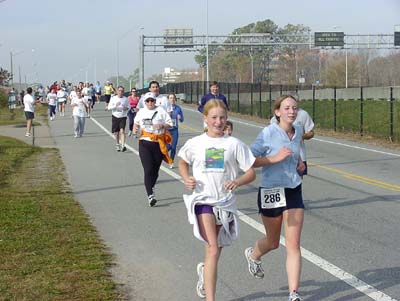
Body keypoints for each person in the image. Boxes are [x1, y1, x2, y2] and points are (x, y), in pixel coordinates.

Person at [178, 99, 256, 300]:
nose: (218, 121)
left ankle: (205, 274)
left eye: (222, 117)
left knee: (214, 250)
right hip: (203, 201)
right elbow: (182, 162)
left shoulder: (234, 144)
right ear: (205, 119)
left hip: (225, 203)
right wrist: (187, 178)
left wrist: (237, 181)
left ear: (227, 119)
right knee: (213, 248)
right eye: (214, 117)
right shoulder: (195, 143)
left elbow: (251, 172)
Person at [244, 95, 305, 301]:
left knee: (294, 244)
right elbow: (249, 160)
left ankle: (293, 293)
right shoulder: (268, 132)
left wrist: (300, 164)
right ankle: (253, 255)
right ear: (277, 112)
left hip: (293, 189)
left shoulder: (299, 133)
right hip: (271, 191)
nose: (291, 111)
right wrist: (273, 159)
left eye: (295, 108)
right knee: (273, 242)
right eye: (287, 108)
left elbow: (297, 154)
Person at [133, 92, 173, 207]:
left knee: (155, 171)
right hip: (145, 143)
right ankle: (150, 195)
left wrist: (162, 126)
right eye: (148, 101)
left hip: (158, 143)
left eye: (152, 101)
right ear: (144, 102)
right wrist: (135, 129)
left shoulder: (161, 110)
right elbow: (136, 123)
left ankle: (152, 186)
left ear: (155, 101)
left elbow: (170, 123)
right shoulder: (141, 112)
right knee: (148, 169)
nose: (150, 103)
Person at [270, 96, 314, 176]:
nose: (292, 110)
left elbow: (311, 132)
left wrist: (302, 137)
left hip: (299, 154)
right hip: (282, 155)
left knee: (298, 181)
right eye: (287, 107)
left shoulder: (303, 114)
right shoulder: (278, 117)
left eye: (294, 106)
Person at [108, 85, 130, 152]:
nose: (121, 92)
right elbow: (109, 108)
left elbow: (129, 106)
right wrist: (115, 106)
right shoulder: (113, 98)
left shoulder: (125, 99)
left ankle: (123, 145)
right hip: (115, 116)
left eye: (122, 91)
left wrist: (127, 108)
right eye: (119, 91)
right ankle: (117, 144)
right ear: (117, 91)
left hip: (123, 117)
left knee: (122, 131)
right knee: (116, 133)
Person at [167, 92, 184, 168]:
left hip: (174, 130)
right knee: (167, 147)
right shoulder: (165, 107)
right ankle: (160, 156)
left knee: (173, 147)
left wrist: (180, 118)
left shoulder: (178, 108)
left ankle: (171, 161)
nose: (172, 99)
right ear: (168, 99)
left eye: (173, 98)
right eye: (170, 98)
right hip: (166, 129)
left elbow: (182, 120)